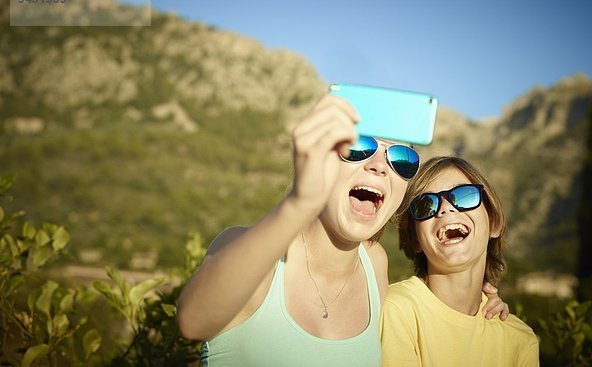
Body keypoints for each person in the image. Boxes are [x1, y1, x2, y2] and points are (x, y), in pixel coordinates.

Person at [177, 94, 509, 367]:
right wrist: (299, 202)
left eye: (402, 159)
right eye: (358, 147)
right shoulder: (246, 249)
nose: (379, 165)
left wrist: (479, 310)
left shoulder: (374, 264)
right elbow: (193, 322)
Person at [380, 156, 539, 367]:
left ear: (494, 223)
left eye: (464, 195)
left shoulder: (520, 340)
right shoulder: (397, 309)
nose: (446, 209)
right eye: (426, 205)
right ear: (416, 239)